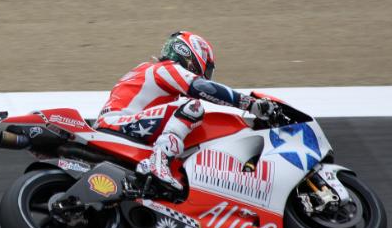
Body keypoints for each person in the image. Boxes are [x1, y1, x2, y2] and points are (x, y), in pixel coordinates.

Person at [95, 31, 276, 190]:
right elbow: (200, 87)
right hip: (118, 125)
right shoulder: (165, 68)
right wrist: (250, 104)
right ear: (191, 53)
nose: (205, 73)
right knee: (193, 107)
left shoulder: (150, 71)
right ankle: (158, 162)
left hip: (116, 125)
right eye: (206, 67)